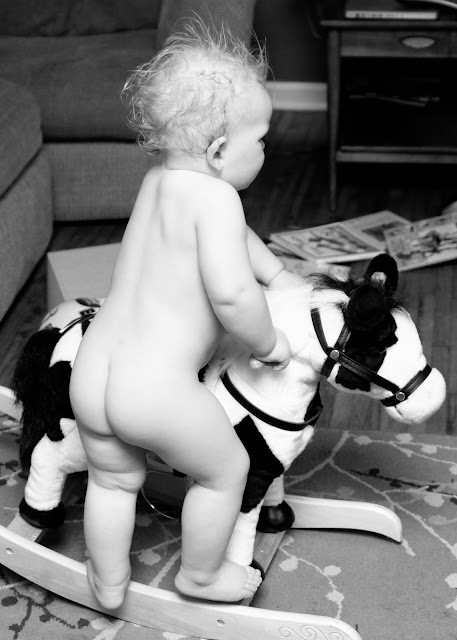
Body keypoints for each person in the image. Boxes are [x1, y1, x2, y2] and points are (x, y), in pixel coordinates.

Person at [69, 21, 293, 609]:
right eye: (260, 140)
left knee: (112, 479)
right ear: (219, 152)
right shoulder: (219, 198)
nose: (264, 151)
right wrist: (268, 342)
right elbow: (233, 296)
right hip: (154, 390)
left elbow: (236, 240)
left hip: (95, 369)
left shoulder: (158, 181)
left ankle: (107, 578)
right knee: (226, 471)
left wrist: (276, 271)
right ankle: (201, 576)